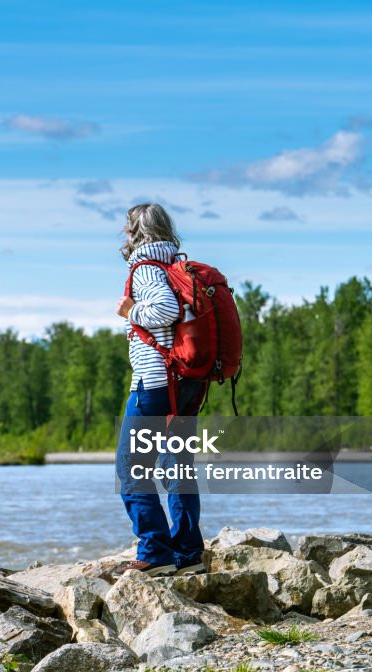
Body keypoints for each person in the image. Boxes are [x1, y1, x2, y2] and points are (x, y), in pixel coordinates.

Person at [113, 203, 207, 577]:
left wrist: (130, 312)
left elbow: (164, 310)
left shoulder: (146, 269)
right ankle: (187, 553)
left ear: (135, 232)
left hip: (154, 384)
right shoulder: (176, 267)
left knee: (131, 468)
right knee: (177, 466)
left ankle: (154, 551)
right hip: (186, 383)